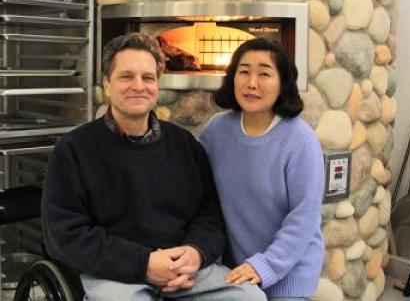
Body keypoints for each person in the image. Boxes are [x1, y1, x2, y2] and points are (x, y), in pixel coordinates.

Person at [41, 33, 266, 301]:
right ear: (107, 85)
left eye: (148, 78)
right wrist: (144, 263)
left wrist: (195, 253)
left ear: (157, 85)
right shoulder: (73, 150)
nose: (139, 86)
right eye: (126, 77)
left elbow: (209, 214)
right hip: (115, 273)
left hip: (183, 268)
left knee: (250, 298)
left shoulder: (185, 145)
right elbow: (64, 236)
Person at [199, 38, 325, 301]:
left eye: (264, 73)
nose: (251, 82)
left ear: (283, 84)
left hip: (287, 273)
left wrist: (264, 266)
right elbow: (194, 191)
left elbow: (304, 218)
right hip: (234, 272)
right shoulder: (216, 131)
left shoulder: (300, 140)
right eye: (243, 72)